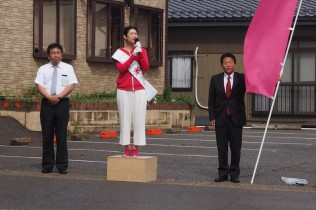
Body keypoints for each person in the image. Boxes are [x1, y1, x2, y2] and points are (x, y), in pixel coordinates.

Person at [35, 43, 78, 174]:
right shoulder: (42, 69)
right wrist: (49, 97)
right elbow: (39, 85)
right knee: (47, 135)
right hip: (47, 103)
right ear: (49, 55)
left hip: (62, 103)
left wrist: (58, 97)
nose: (56, 55)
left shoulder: (68, 68)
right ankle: (47, 165)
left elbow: (71, 85)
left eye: (58, 52)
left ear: (61, 54)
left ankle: (62, 165)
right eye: (53, 53)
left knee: (61, 135)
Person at [112, 26, 150, 157]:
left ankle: (136, 148)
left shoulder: (142, 50)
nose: (134, 35)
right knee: (125, 118)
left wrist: (140, 54)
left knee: (139, 118)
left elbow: (145, 67)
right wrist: (132, 57)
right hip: (123, 88)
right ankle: (127, 147)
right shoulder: (119, 52)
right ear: (125, 37)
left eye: (136, 33)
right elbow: (121, 69)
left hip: (139, 89)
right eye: (131, 33)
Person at [208, 52, 246, 183]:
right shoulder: (215, 79)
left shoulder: (242, 78)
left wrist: (274, 78)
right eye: (225, 62)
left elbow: (257, 81)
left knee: (236, 148)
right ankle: (222, 173)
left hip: (236, 118)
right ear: (221, 65)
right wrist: (212, 116)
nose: (228, 64)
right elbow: (211, 100)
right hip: (220, 119)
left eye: (230, 62)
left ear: (235, 64)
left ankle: (234, 174)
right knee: (222, 148)